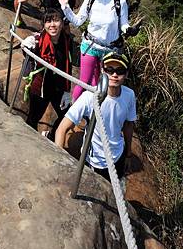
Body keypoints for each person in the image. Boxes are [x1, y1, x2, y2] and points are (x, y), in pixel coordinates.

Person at [57, 0, 140, 101]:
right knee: (83, 82)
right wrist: (65, 7)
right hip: (90, 46)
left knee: (103, 86)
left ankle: (95, 115)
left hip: (110, 50)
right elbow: (78, 21)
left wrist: (129, 30)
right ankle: (73, 114)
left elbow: (123, 24)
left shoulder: (119, 1)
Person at [55, 51, 136, 183]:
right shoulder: (89, 96)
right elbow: (61, 129)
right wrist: (58, 160)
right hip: (94, 160)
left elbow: (128, 125)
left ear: (126, 74)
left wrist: (128, 154)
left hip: (117, 156)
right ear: (103, 71)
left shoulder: (129, 95)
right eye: (110, 70)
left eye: (120, 70)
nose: (114, 75)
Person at [21, 8, 73, 140]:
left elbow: (68, 65)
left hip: (58, 88)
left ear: (62, 23)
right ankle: (28, 141)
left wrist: (67, 91)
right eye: (48, 21)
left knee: (67, 115)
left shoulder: (66, 41)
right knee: (33, 117)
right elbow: (29, 53)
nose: (52, 25)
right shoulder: (38, 40)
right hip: (41, 88)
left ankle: (50, 137)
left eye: (56, 20)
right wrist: (26, 46)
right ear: (43, 25)